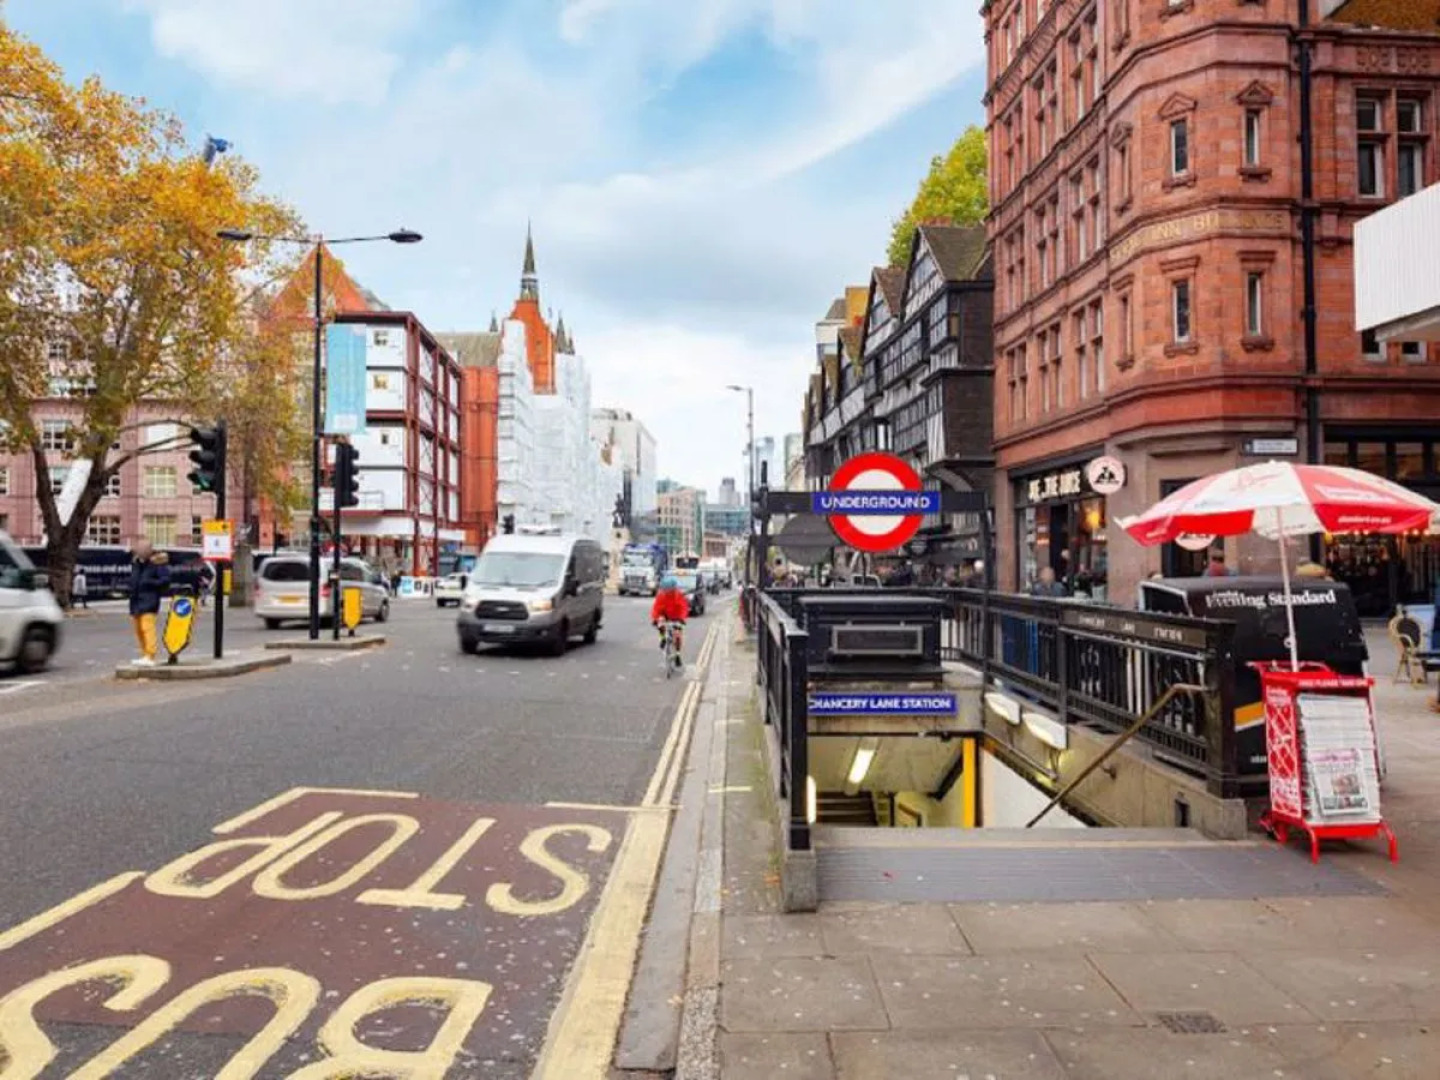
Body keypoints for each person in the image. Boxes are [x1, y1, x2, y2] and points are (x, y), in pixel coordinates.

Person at [127, 540, 171, 666]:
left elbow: (165, 581)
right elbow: (134, 579)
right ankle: (145, 654)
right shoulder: (136, 563)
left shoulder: (157, 564)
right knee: (138, 629)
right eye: (139, 548)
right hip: (135, 600)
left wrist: (150, 583)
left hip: (149, 600)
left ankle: (150, 655)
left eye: (143, 548)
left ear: (149, 550)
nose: (140, 550)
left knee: (147, 628)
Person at [651, 574, 690, 669]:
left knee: (677, 634)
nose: (667, 592)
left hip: (676, 616)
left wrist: (682, 619)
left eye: (669, 590)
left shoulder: (679, 595)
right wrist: (655, 619)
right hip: (665, 615)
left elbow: (684, 608)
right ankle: (663, 638)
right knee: (660, 625)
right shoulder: (661, 596)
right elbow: (655, 609)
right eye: (665, 590)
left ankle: (677, 655)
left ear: (673, 589)